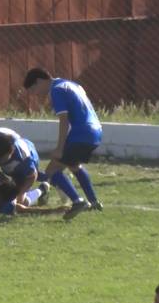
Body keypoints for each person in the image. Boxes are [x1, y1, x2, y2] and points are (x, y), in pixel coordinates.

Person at [23, 67, 103, 219]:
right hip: (96, 131)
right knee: (74, 166)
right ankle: (94, 202)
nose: (35, 94)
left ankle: (78, 201)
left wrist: (59, 148)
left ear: (40, 81)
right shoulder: (71, 84)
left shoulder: (57, 90)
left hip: (81, 133)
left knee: (51, 171)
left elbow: (64, 120)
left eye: (34, 89)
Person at [0, 127, 51, 208]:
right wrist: (2, 178)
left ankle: (42, 189)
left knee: (20, 202)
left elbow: (33, 176)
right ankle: (46, 179)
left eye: (4, 158)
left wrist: (20, 193)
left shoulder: (24, 159)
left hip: (30, 160)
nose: (2, 161)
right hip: (16, 167)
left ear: (11, 151)